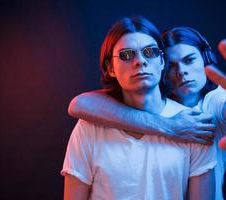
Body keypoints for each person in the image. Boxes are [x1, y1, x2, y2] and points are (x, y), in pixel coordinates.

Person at [67, 26, 226, 199]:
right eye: (173, 66)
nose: (182, 72)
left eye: (189, 61)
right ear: (162, 67)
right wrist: (169, 125)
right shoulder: (156, 107)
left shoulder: (211, 104)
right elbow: (79, 105)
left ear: (205, 59)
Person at [62, 16, 217, 200]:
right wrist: (169, 126)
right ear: (111, 68)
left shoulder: (193, 126)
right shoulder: (89, 128)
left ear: (161, 62)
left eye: (150, 52)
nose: (140, 61)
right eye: (127, 55)